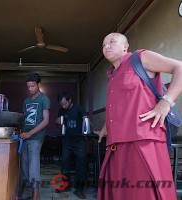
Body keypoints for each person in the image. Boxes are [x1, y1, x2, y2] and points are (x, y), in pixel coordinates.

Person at [96, 32, 182, 199]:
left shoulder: (140, 58)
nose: (106, 46)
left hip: (144, 140)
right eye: (104, 44)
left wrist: (166, 102)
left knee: (146, 193)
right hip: (117, 145)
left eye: (112, 42)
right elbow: (120, 104)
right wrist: (106, 127)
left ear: (125, 46)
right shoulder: (112, 76)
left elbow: (180, 67)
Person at [19, 72, 50, 200]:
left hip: (36, 137)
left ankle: (35, 195)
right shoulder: (26, 101)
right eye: (28, 87)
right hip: (25, 136)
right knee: (24, 165)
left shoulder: (44, 99)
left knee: (33, 165)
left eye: (32, 86)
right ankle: (30, 190)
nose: (30, 88)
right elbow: (24, 118)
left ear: (38, 84)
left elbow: (46, 120)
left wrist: (30, 133)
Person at [55, 92, 87, 199]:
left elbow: (86, 120)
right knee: (64, 163)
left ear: (69, 101)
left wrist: (88, 127)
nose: (63, 106)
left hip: (79, 141)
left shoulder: (79, 109)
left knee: (81, 165)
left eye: (65, 104)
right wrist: (57, 121)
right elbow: (58, 124)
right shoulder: (61, 111)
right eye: (61, 104)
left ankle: (79, 189)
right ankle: (65, 185)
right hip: (67, 141)